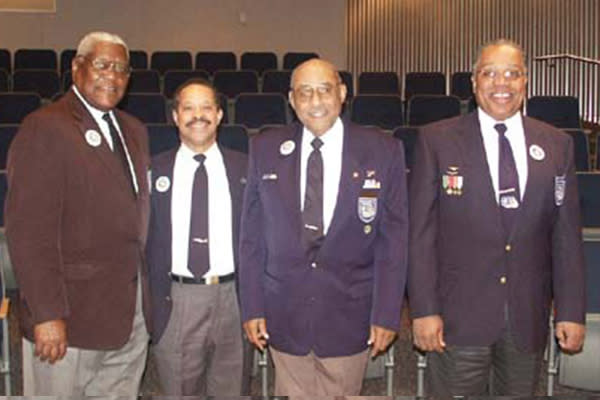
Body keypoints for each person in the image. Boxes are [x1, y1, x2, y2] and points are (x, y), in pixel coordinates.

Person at [408, 39, 586, 396]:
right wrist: (423, 309)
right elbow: (420, 235)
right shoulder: (436, 140)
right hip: (457, 318)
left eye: (512, 73)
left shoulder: (556, 144)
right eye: (489, 73)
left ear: (525, 82)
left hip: (527, 317)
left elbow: (565, 236)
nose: (501, 83)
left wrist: (571, 310)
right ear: (474, 82)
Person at [239, 58, 408, 396]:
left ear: (342, 93)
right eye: (305, 92)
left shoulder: (383, 150)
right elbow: (251, 237)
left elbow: (395, 241)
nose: (315, 102)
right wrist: (253, 306)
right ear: (292, 100)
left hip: (351, 312)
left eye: (324, 90)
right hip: (284, 312)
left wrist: (388, 314)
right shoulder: (265, 148)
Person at [5, 31, 151, 395]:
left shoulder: (134, 131)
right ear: (76, 68)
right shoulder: (45, 127)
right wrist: (46, 313)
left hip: (128, 315)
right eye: (102, 65)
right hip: (69, 318)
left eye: (121, 69)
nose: (112, 76)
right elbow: (28, 232)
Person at [146, 78, 248, 395]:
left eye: (206, 107)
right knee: (179, 390)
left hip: (234, 297)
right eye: (188, 108)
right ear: (175, 116)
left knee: (232, 389)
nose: (197, 115)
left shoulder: (246, 168)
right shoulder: (152, 169)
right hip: (176, 298)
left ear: (219, 115)